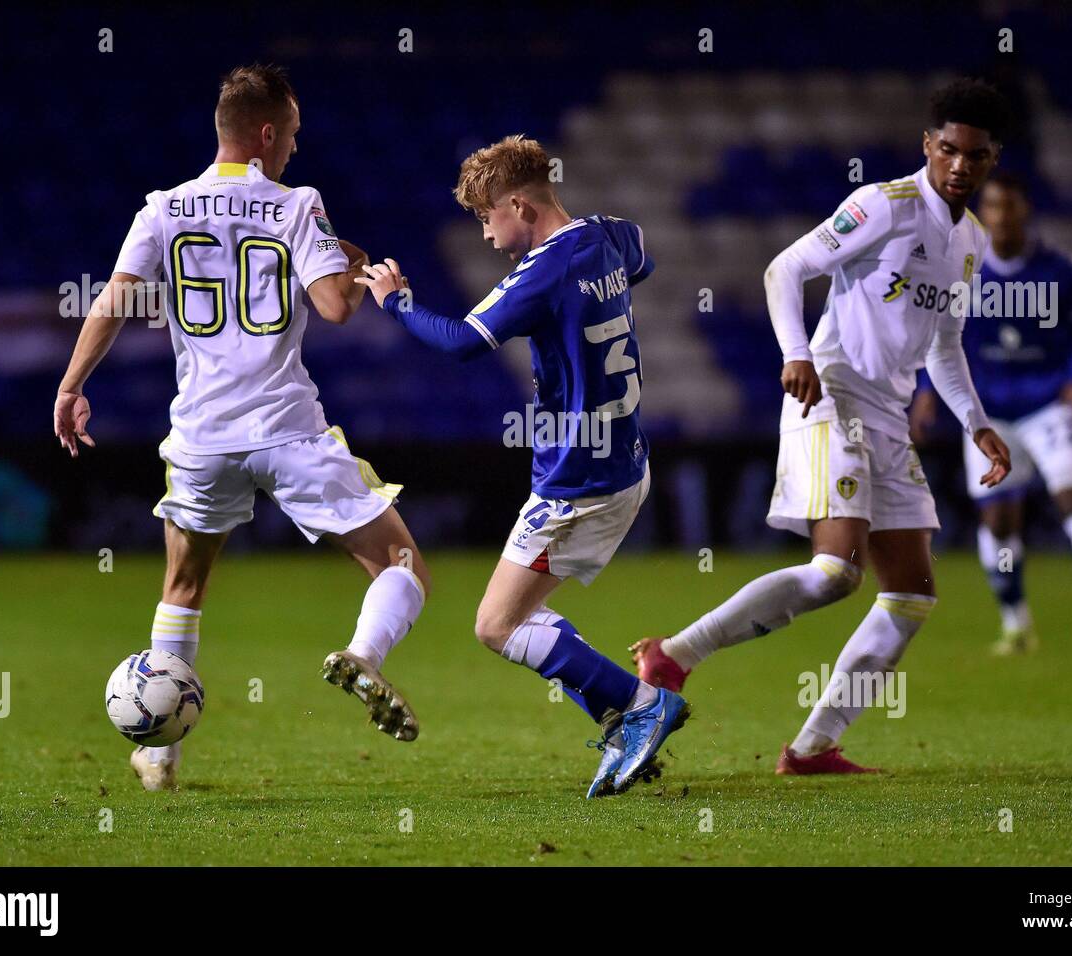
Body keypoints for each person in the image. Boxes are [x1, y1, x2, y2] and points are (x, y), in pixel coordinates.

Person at [54, 64, 430, 791]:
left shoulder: (162, 208)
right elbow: (335, 309)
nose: (294, 147)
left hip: (201, 439)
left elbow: (113, 302)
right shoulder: (297, 204)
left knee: (184, 585)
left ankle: (159, 755)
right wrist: (353, 265)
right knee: (401, 566)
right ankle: (363, 655)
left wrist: (72, 386)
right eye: (290, 134)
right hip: (289, 430)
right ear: (264, 135)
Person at [634, 79, 1013, 775]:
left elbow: (944, 344)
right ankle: (674, 655)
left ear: (993, 159)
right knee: (838, 571)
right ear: (928, 146)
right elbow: (787, 268)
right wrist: (797, 353)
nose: (960, 164)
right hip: (830, 392)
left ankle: (812, 748)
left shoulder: (971, 242)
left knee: (911, 595)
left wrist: (977, 424)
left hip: (891, 416)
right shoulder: (883, 206)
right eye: (949, 149)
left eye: (977, 155)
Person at [356, 135, 688, 797]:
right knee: (520, 617)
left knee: (496, 624)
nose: (484, 233)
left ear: (519, 205)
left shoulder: (545, 271)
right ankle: (625, 722)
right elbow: (641, 261)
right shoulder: (609, 237)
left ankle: (644, 705)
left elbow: (460, 344)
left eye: (486, 216)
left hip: (578, 481)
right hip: (624, 460)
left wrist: (397, 301)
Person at [911, 170, 1072, 654]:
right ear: (984, 212)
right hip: (985, 415)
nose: (1002, 216)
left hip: (1047, 405)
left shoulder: (1060, 269)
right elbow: (939, 339)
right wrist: (924, 391)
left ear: (1025, 210)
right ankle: (1016, 623)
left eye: (1010, 206)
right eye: (994, 206)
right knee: (999, 523)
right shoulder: (961, 268)